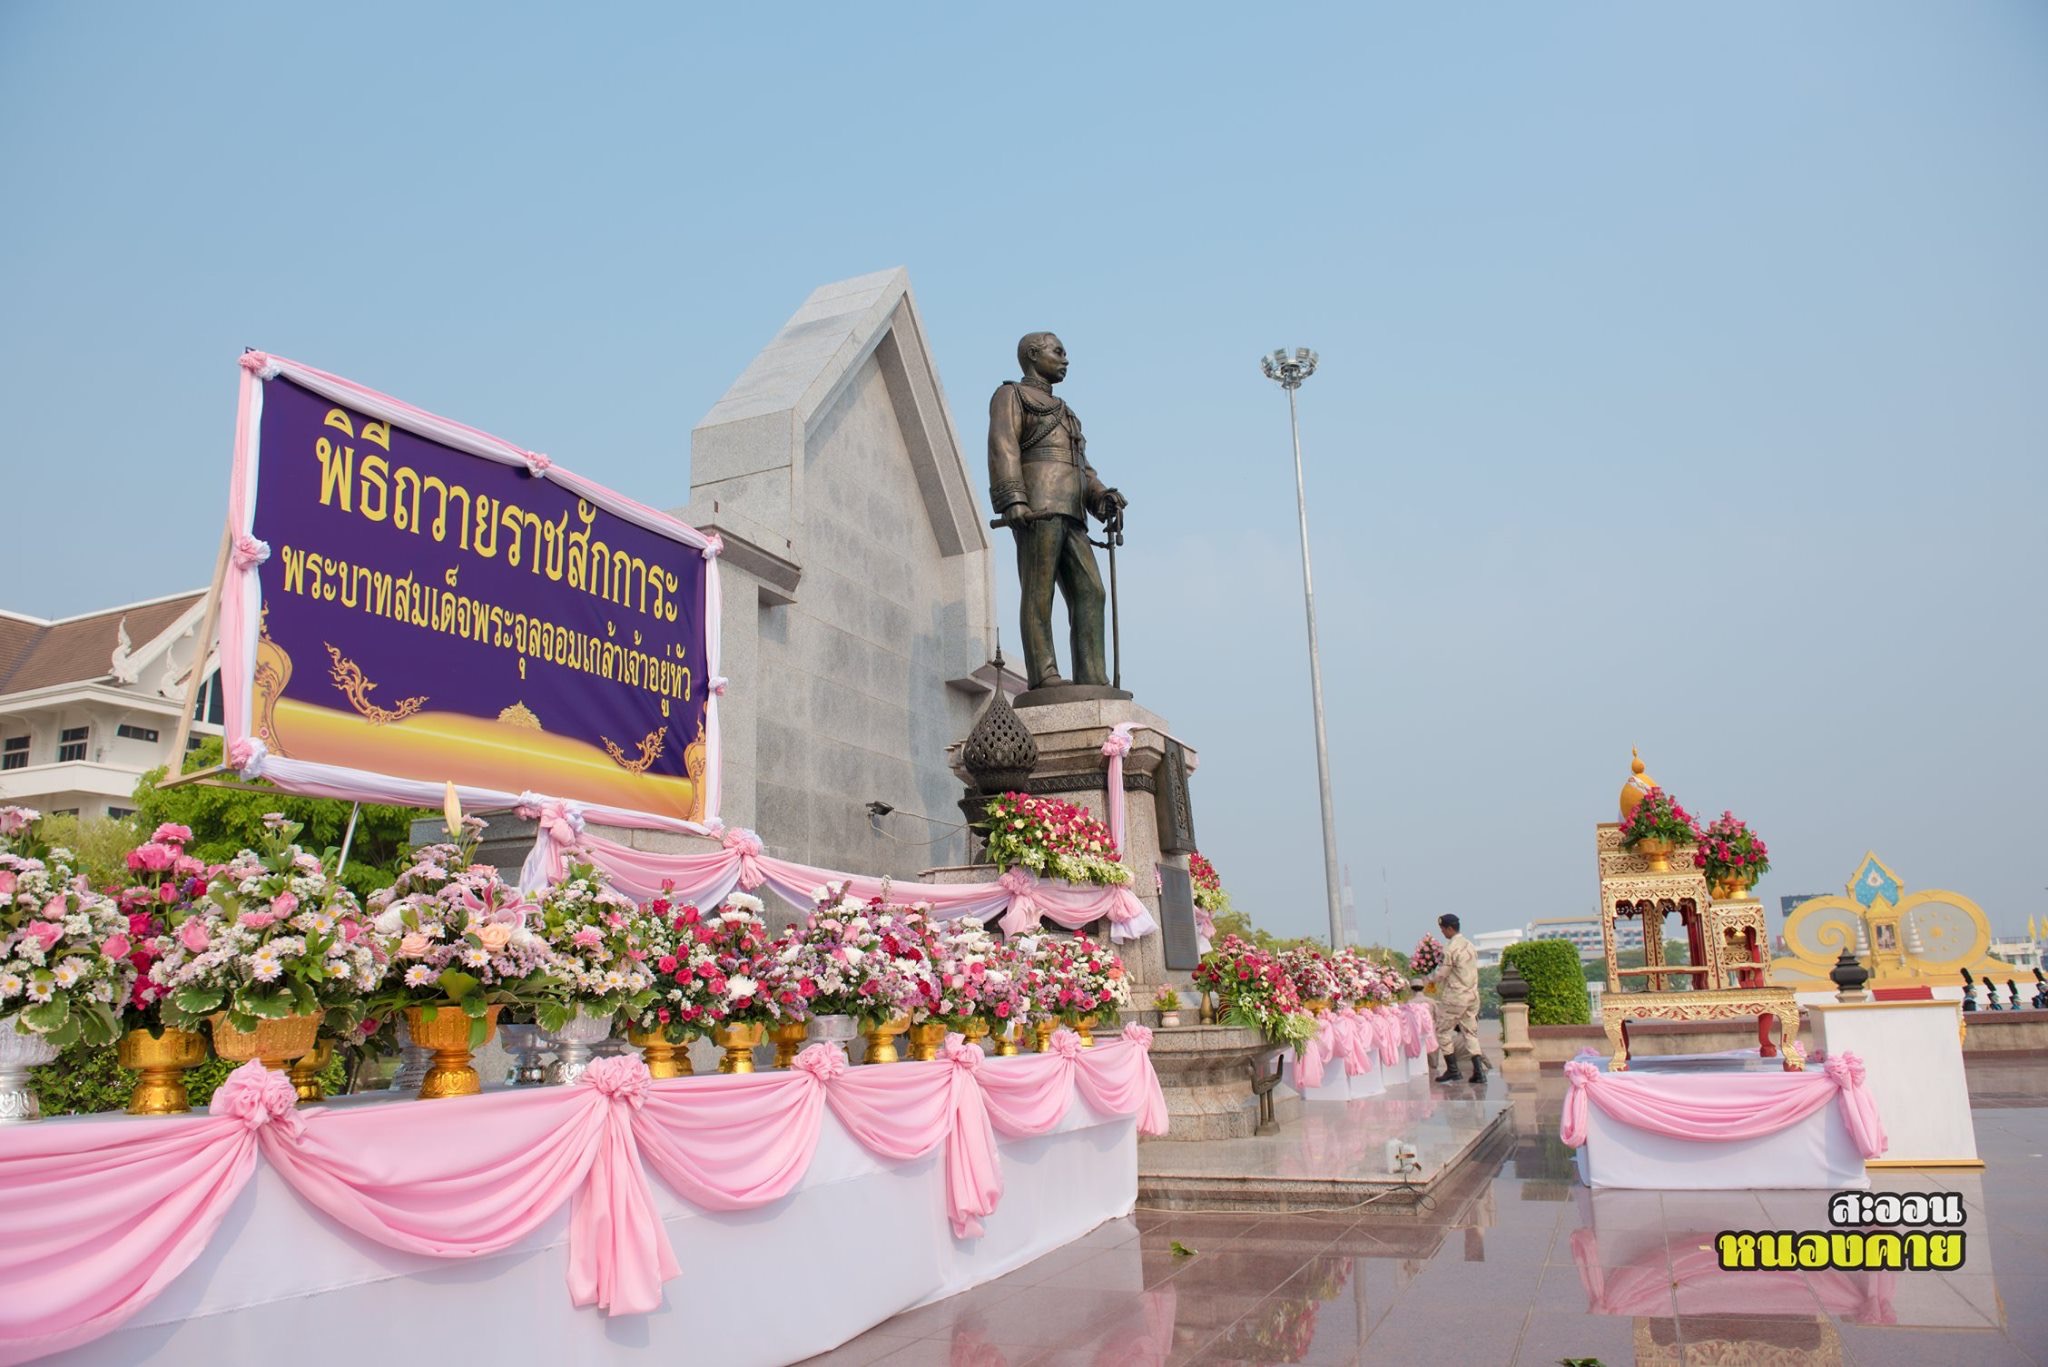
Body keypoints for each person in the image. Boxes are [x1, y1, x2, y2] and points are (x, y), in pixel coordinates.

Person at [987, 332, 1127, 692]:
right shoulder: (1011, 395)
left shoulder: (1065, 411)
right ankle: (1044, 674)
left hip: (1073, 512)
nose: (1065, 360)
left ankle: (1092, 676)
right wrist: (1014, 499)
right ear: (1034, 355)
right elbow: (1003, 446)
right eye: (1058, 352)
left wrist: (1100, 496)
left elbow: (1082, 466)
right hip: (1038, 508)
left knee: (1091, 592)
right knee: (1039, 592)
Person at [1430, 913, 1487, 1084]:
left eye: (1442, 929)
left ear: (1449, 928)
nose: (1442, 932)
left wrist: (1428, 980)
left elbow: (1443, 974)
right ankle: (1479, 1072)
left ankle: (1453, 1070)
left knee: (1441, 1031)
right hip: (1472, 995)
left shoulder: (1450, 948)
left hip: (1456, 996)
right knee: (1470, 1032)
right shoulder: (1469, 945)